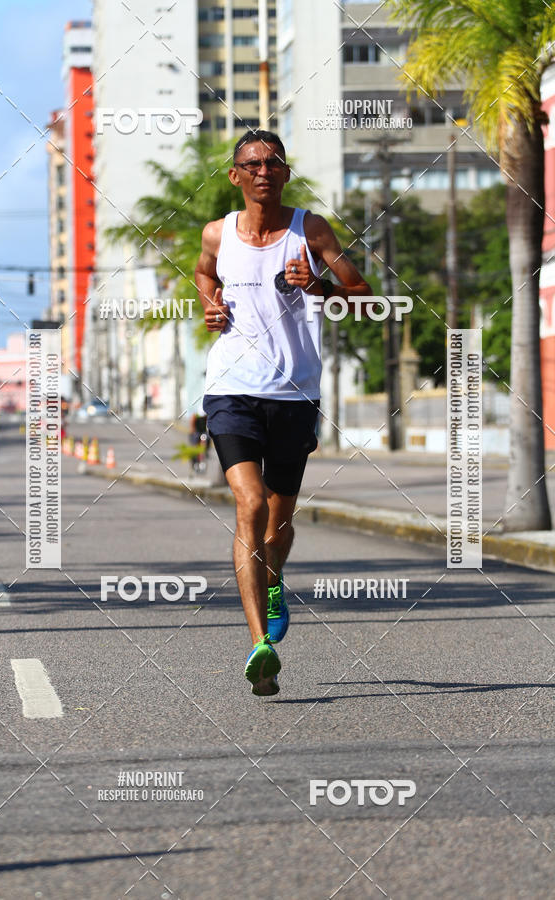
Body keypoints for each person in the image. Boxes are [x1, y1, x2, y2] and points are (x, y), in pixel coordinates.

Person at [195, 129, 372, 697]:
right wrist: (210, 304)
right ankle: (259, 647)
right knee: (249, 504)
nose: (263, 171)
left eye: (273, 163)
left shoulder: (310, 230)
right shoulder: (217, 233)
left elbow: (363, 294)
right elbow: (204, 272)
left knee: (278, 522)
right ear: (235, 175)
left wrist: (318, 286)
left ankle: (273, 583)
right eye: (252, 164)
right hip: (231, 389)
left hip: (295, 395)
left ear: (285, 173)